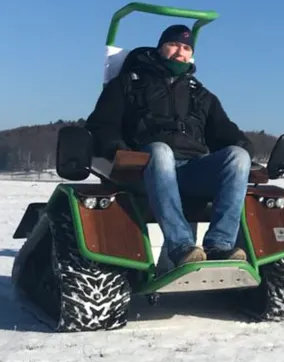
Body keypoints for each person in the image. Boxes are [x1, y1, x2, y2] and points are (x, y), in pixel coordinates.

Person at [84, 24, 254, 266]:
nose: (179, 52)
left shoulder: (201, 94)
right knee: (160, 150)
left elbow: (225, 132)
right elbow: (102, 124)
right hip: (141, 168)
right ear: (160, 47)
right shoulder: (128, 84)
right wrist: (116, 148)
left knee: (237, 156)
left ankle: (219, 244)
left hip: (190, 169)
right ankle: (181, 246)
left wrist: (246, 149)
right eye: (173, 44)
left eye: (186, 47)